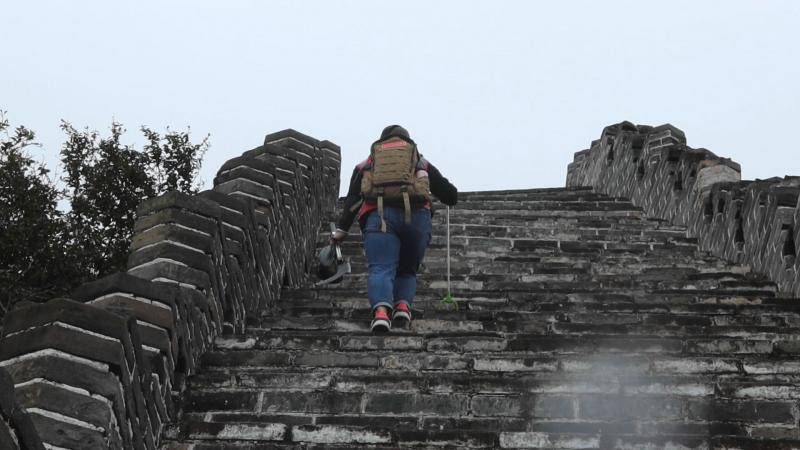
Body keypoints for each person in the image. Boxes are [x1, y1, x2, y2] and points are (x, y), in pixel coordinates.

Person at [331, 125, 458, 332]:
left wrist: (341, 230)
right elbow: (450, 195)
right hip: (417, 219)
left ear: (381, 144)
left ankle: (381, 312)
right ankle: (402, 307)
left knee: (381, 267)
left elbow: (353, 200)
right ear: (408, 143)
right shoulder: (419, 162)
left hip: (379, 217)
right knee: (407, 270)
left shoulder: (366, 164)